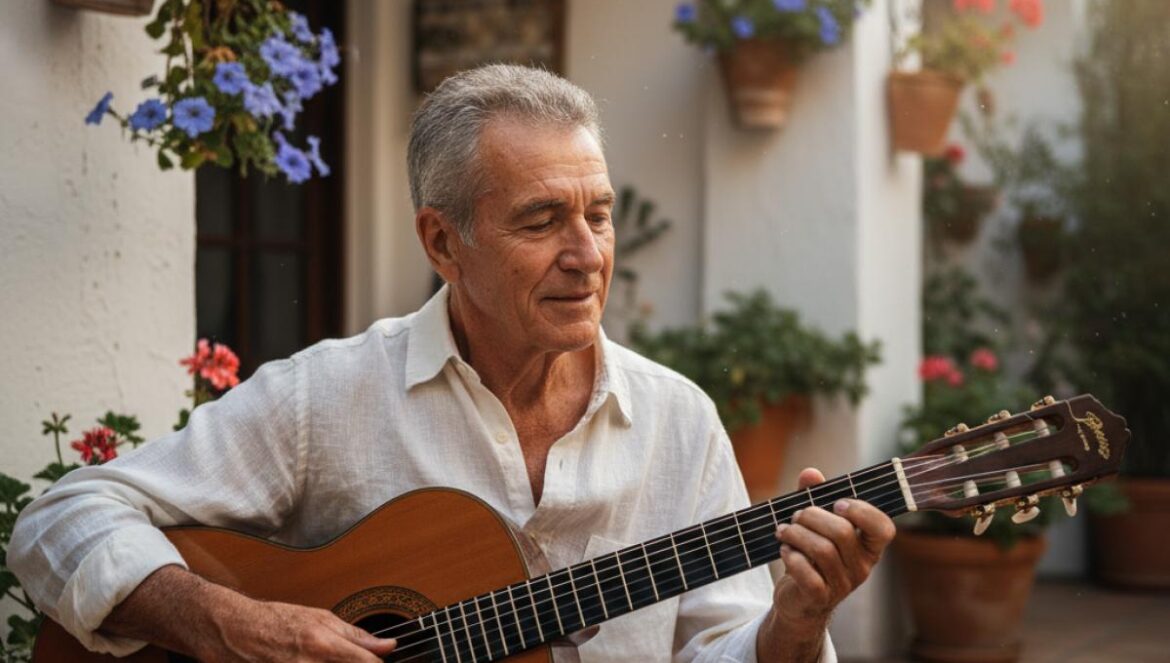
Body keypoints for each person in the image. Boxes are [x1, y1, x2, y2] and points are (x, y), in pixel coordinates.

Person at [11, 64, 895, 662]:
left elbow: (724, 644)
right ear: (444, 241)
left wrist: (795, 620)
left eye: (600, 214)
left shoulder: (679, 420)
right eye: (543, 220)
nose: (587, 254)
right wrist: (234, 624)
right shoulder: (331, 395)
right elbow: (61, 518)